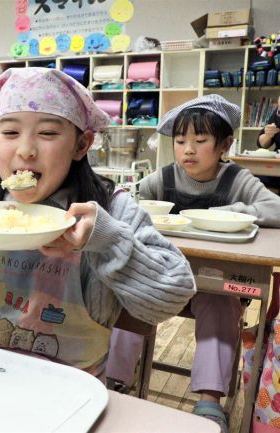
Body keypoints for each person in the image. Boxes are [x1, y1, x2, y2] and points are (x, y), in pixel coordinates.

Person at [0, 67, 195, 377]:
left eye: (47, 133)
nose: (26, 150)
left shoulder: (112, 209)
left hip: (72, 385)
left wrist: (106, 239)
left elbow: (171, 296)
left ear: (81, 145)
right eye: (11, 132)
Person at [106, 94, 280, 433]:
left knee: (220, 303)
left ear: (224, 145)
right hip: (164, 278)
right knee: (131, 292)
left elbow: (276, 208)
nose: (188, 149)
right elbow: (131, 200)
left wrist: (239, 212)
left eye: (200, 141)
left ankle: (210, 400)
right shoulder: (165, 177)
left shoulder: (236, 180)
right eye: (181, 140)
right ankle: (114, 380)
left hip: (214, 284)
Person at [255, 95, 280, 191]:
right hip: (276, 168)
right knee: (250, 177)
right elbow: (261, 144)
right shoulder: (277, 115)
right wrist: (268, 135)